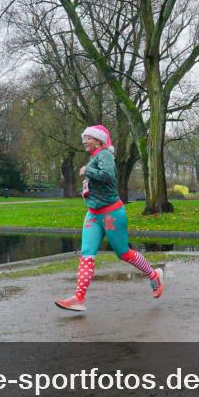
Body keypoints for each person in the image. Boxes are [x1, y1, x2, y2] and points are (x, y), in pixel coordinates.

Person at [55, 125, 165, 312]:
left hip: (110, 214)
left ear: (99, 141)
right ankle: (79, 298)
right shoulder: (94, 157)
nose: (84, 141)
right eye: (84, 137)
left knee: (124, 253)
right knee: (87, 255)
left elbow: (107, 176)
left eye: (89, 138)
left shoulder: (104, 155)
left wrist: (87, 171)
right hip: (93, 214)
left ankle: (154, 275)